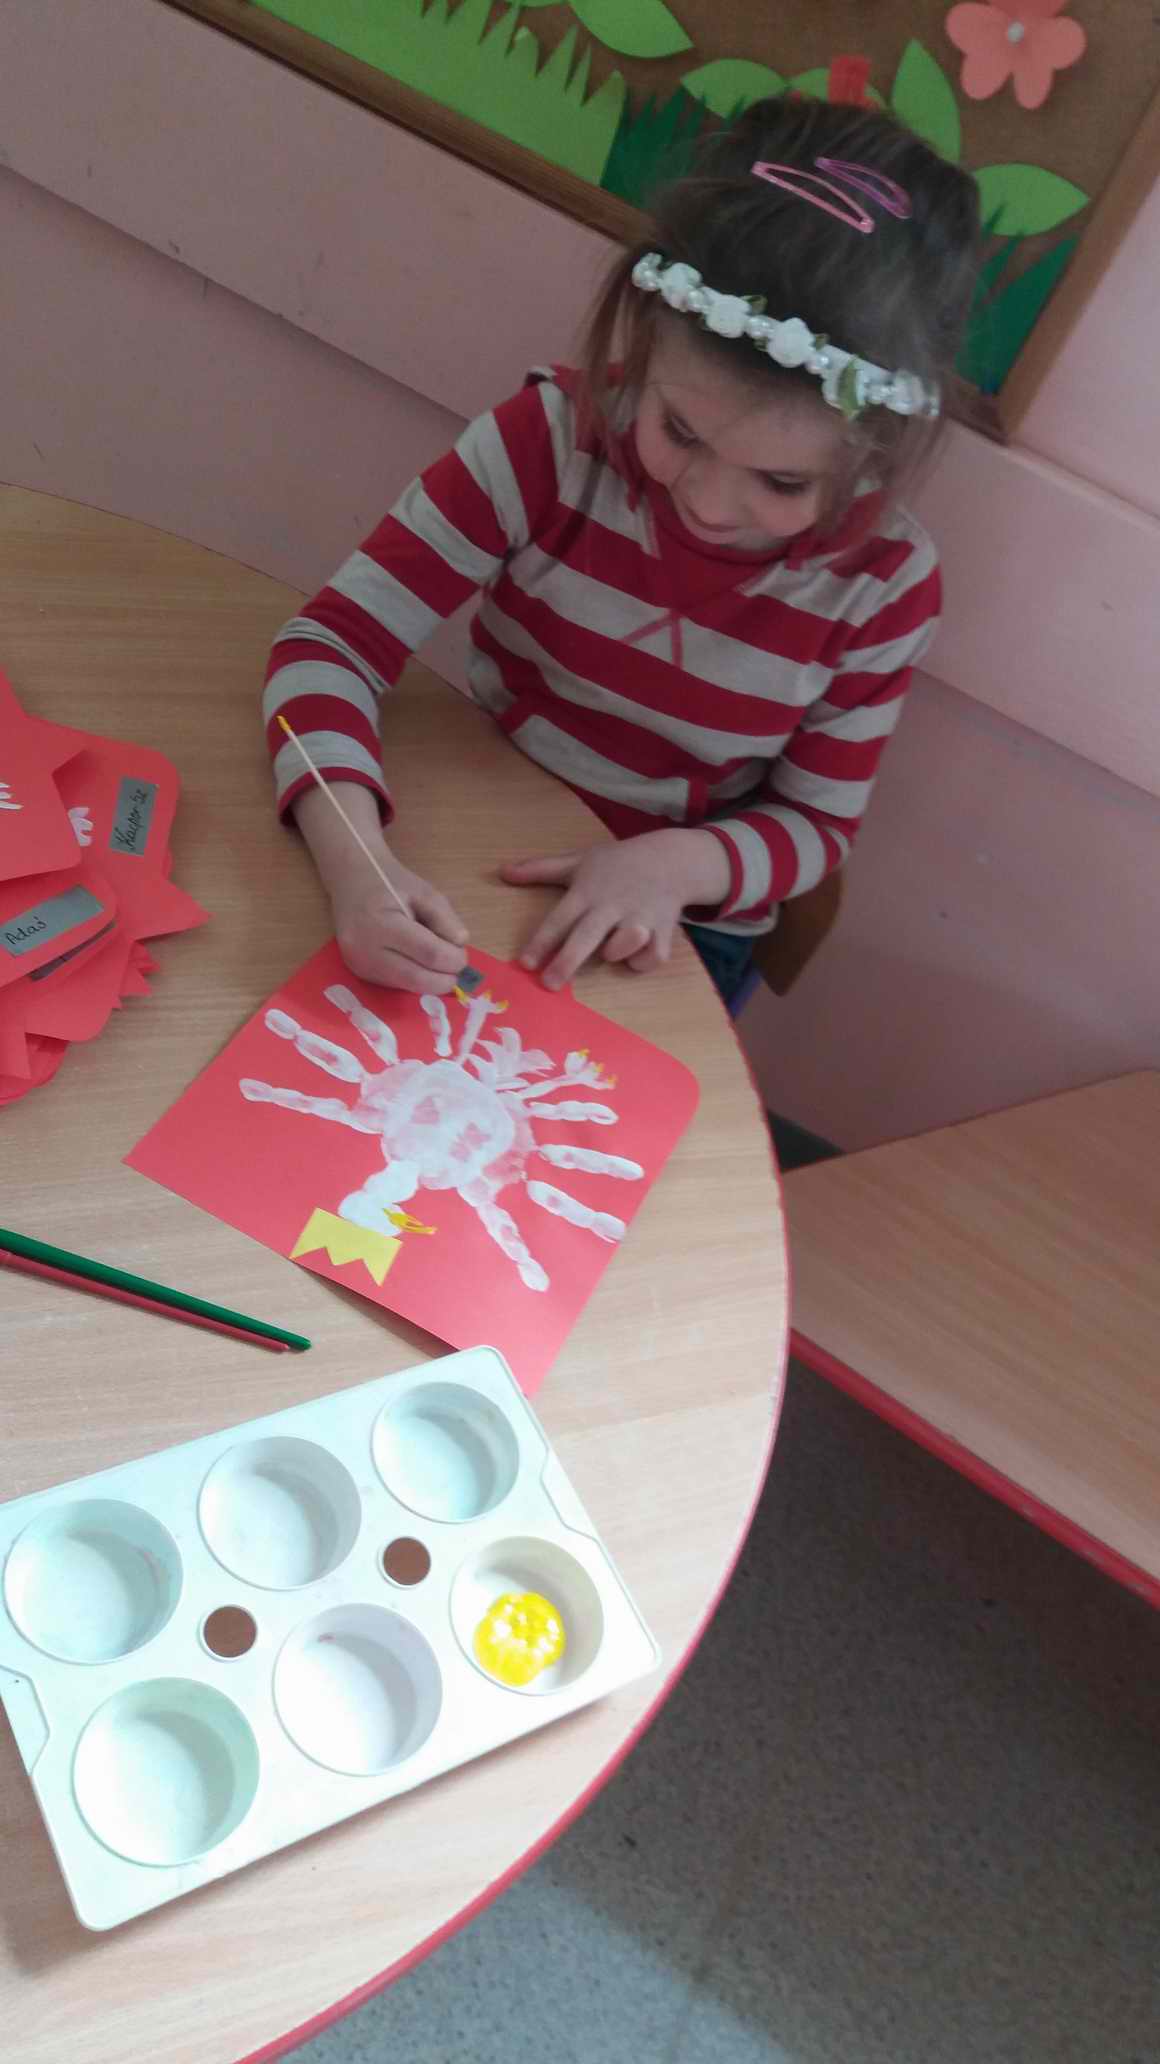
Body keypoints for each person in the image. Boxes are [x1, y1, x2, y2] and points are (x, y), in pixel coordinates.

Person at [264, 97, 979, 1010]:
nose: (710, 505)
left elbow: (814, 824)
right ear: (642, 341)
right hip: (480, 838)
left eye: (782, 482)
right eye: (679, 430)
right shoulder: (547, 444)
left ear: (876, 451)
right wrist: (356, 864)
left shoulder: (883, 586)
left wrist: (674, 865)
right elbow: (330, 645)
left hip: (681, 920)